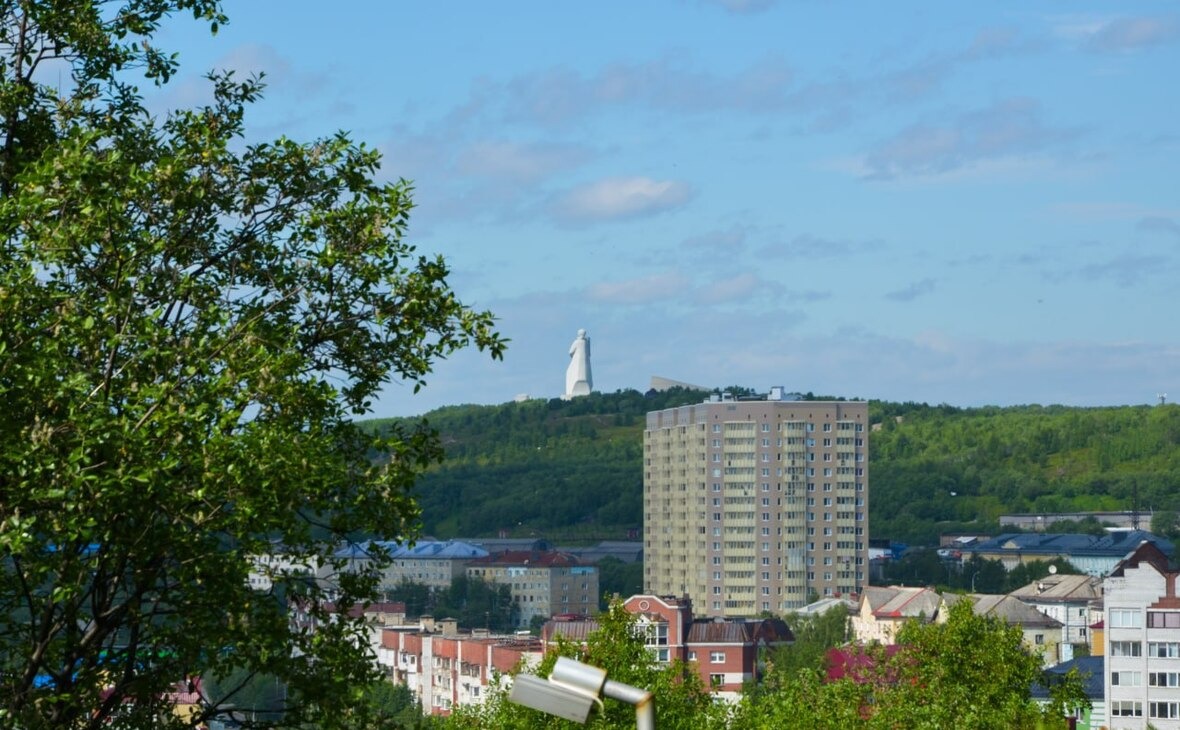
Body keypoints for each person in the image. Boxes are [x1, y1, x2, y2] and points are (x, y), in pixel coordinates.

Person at [565, 329, 592, 397]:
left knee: (570, 372)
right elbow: (589, 354)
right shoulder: (586, 343)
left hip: (576, 362)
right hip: (585, 365)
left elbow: (570, 352)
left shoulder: (577, 342)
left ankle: (571, 391)